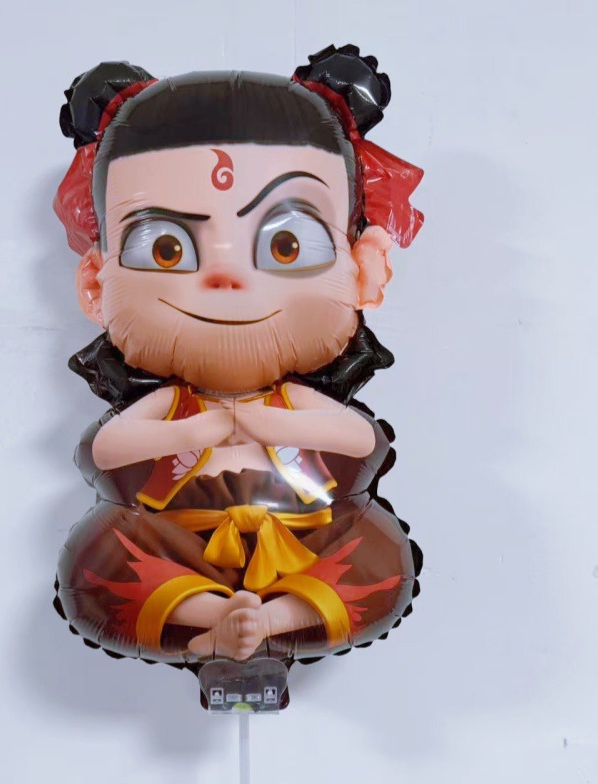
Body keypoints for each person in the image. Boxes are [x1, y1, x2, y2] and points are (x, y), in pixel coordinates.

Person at [53, 45, 424, 670]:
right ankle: (211, 618)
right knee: (99, 566)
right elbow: (105, 453)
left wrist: (266, 421)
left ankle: (270, 620)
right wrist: (193, 430)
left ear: (362, 270)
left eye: (286, 245)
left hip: (306, 536)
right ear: (96, 283)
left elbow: (363, 444)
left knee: (378, 562)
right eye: (167, 248)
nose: (226, 278)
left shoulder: (293, 400)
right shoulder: (172, 404)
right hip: (172, 538)